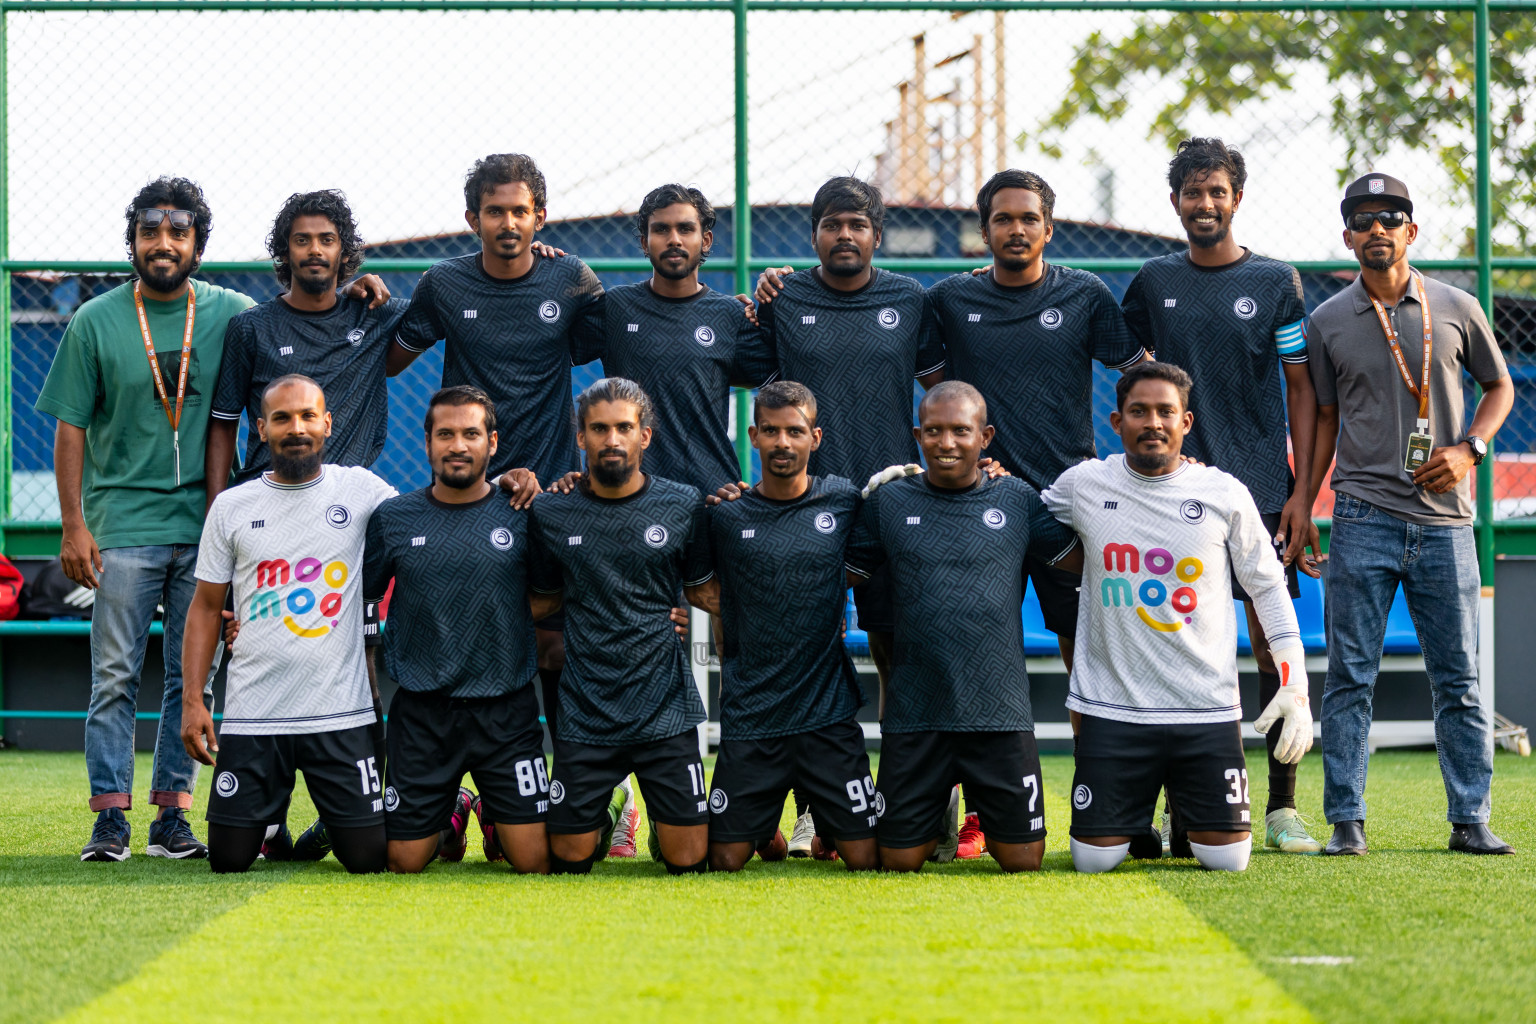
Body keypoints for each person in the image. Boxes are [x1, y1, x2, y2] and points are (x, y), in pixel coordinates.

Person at [387, 154, 608, 838]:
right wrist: (367, 303)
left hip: (549, 492)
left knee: (556, 646)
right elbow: (389, 355)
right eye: (495, 211)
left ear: (541, 217)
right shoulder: (445, 283)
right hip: (468, 495)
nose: (508, 223)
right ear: (472, 219)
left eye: (520, 211)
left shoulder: (571, 280)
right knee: (461, 639)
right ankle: (447, 796)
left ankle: (576, 799)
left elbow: (624, 341)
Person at [928, 169, 1147, 858]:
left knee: (1094, 663)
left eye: (1029, 218)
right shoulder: (950, 299)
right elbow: (942, 399)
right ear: (984, 228)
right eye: (1002, 219)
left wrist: (1171, 456)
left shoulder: (1083, 295)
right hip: (976, 509)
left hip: (1067, 509)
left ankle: (1110, 806)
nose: (1015, 229)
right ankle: (969, 815)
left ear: (1048, 228)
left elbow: (1142, 377)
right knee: (969, 662)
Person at [37, 177, 253, 862]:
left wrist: (360, 288)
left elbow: (303, 335)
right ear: (131, 239)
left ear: (198, 242)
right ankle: (109, 820)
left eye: (177, 232)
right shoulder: (95, 320)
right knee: (115, 676)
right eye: (149, 232)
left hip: (209, 530)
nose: (163, 243)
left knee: (193, 681)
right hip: (122, 526)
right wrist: (73, 525)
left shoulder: (235, 315)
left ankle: (172, 818)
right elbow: (70, 428)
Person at [1119, 138, 1324, 855]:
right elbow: (1125, 367)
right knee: (1170, 646)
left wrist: (1301, 491)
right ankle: (1180, 806)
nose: (1204, 204)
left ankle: (1283, 809)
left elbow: (1300, 385)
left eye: (1217, 192)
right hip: (1172, 496)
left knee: (1273, 647)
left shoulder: (1276, 282)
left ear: (1237, 198)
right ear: (1173, 201)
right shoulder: (1150, 282)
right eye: (1192, 193)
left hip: (1263, 491)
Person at [1305, 173, 1515, 857]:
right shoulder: (1328, 320)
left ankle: (1470, 819)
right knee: (1349, 676)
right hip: (1362, 516)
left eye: (1389, 217)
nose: (1376, 230)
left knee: (1458, 677)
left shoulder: (1456, 305)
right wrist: (1309, 502)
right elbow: (1326, 418)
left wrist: (1471, 450)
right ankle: (1347, 822)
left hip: (1447, 522)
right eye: (1362, 220)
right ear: (1347, 236)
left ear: (1411, 231)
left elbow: (1500, 386)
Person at [1041, 362, 1314, 874]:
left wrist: (1294, 680)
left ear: (1186, 422)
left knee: (1227, 859)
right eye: (1139, 412)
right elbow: (1020, 515)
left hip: (1204, 709)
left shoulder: (1223, 491)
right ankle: (1139, 815)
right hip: (1114, 710)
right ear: (1116, 420)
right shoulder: (1082, 484)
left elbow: (1267, 586)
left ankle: (1184, 812)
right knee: (1092, 861)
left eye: (1166, 412)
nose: (1153, 423)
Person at [748, 176, 945, 854]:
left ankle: (907, 798)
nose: (845, 236)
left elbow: (943, 394)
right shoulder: (786, 297)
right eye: (832, 225)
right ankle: (813, 810)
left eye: (857, 225)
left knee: (899, 656)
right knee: (806, 656)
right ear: (814, 235)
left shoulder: (910, 300)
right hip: (805, 507)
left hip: (892, 507)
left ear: (877, 234)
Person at [846, 381, 1079, 873]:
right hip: (917, 716)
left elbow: (1085, 556)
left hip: (998, 713)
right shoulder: (888, 502)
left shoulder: (1016, 499)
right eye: (933, 431)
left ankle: (969, 811)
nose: (946, 442)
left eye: (960, 430)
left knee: (1023, 861)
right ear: (917, 434)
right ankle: (939, 808)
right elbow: (836, 569)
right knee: (897, 862)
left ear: (985, 436)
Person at [180, 375, 396, 874]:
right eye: (281, 418)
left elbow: (431, 514)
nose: (295, 428)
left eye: (306, 416)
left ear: (327, 423)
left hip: (339, 713)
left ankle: (333, 822)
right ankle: (270, 824)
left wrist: (505, 484)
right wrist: (194, 700)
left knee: (367, 860)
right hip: (256, 712)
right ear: (260, 428)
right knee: (229, 860)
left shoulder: (361, 490)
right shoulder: (232, 506)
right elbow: (206, 607)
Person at [686, 382, 877, 871]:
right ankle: (764, 828)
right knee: (722, 861)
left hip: (826, 713)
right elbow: (699, 589)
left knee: (867, 857)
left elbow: (864, 558)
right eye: (771, 431)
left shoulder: (843, 500)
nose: (783, 443)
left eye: (795, 431)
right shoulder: (725, 516)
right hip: (753, 715)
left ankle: (826, 824)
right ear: (754, 435)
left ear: (815, 436)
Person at [528, 378, 713, 874]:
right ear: (581, 437)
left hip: (664, 705)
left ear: (645, 436)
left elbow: (702, 590)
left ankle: (660, 825)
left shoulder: (684, 503)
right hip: (588, 707)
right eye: (600, 428)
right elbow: (540, 602)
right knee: (568, 859)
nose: (612, 439)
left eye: (624, 428)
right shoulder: (551, 510)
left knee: (689, 860)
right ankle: (614, 810)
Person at [365, 386, 553, 874]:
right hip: (424, 713)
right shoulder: (393, 518)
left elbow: (558, 588)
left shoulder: (525, 512)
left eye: (471, 433)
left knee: (532, 861)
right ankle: (452, 815)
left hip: (506, 709)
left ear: (493, 442)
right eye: (445, 434)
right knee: (402, 862)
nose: (457, 445)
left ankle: (493, 813)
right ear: (426, 442)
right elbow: (357, 595)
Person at [578, 184, 776, 495]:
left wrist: (778, 300)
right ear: (645, 243)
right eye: (661, 230)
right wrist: (539, 259)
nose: (674, 239)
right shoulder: (614, 308)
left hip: (711, 494)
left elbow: (786, 374)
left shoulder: (731, 315)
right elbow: (545, 348)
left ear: (705, 240)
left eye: (685, 229)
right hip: (629, 495)